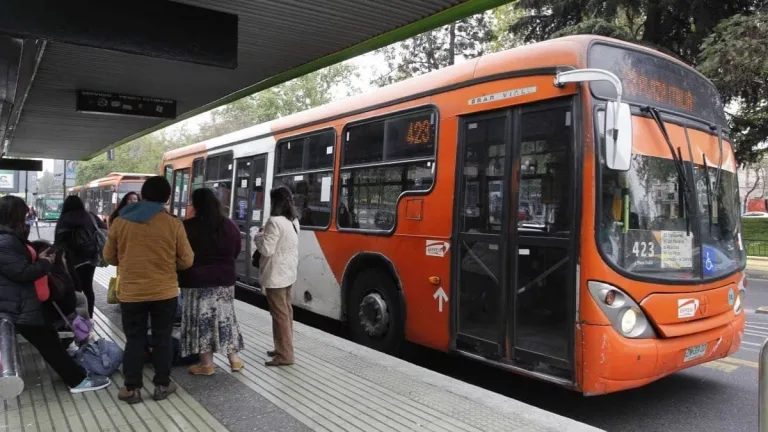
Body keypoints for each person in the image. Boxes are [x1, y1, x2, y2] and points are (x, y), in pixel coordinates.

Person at [0, 196, 110, 393]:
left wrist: (39, 259)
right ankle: (77, 381)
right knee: (51, 346)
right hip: (19, 307)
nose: (26, 219)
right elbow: (22, 273)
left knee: (51, 344)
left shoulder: (8, 238)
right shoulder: (5, 241)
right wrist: (45, 263)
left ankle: (77, 379)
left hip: (23, 304)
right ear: (13, 215)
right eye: (24, 215)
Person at [104, 176, 194, 404]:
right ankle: (162, 385)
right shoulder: (173, 223)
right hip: (164, 293)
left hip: (132, 293)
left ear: (143, 194)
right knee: (163, 338)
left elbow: (108, 257)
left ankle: (131, 389)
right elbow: (186, 261)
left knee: (134, 339)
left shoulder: (121, 222)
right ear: (167, 197)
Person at [178, 188, 244, 375]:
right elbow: (236, 250)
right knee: (226, 318)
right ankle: (235, 360)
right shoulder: (229, 225)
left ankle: (206, 364)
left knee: (201, 321)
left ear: (196, 204)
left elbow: (181, 254)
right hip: (224, 279)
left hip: (196, 281)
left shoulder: (188, 227)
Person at [253, 186, 300, 367]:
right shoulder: (293, 220)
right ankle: (281, 347)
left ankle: (285, 355)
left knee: (279, 314)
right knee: (285, 312)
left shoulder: (274, 221)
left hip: (276, 275)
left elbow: (267, 249)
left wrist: (258, 236)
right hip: (288, 273)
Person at [54, 195, 106, 318]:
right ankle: (90, 316)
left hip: (72, 259)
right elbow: (104, 228)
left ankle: (76, 317)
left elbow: (58, 241)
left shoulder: (65, 219)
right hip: (90, 257)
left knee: (74, 288)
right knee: (88, 287)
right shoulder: (90, 216)